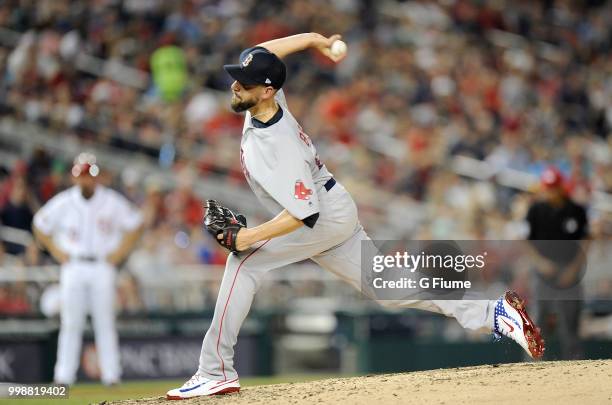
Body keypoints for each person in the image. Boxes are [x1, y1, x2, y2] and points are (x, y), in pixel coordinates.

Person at [166, 33, 545, 400]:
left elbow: (305, 213)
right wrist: (315, 39)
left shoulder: (277, 143)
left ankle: (214, 373)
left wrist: (248, 238)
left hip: (322, 216)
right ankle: (495, 313)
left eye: (244, 83)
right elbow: (266, 51)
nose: (235, 86)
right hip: (333, 209)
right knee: (391, 289)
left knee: (243, 262)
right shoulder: (267, 98)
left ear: (266, 90)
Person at [32, 152, 143, 385]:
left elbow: (135, 224)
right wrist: (54, 249)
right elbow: (40, 224)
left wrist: (120, 252)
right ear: (74, 178)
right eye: (81, 175)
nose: (85, 180)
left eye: (89, 175)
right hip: (73, 264)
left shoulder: (111, 200)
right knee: (71, 322)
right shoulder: (64, 201)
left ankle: (111, 376)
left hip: (102, 265)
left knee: (105, 321)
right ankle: (63, 377)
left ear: (97, 177)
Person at [526, 166, 589, 359]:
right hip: (544, 271)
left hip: (569, 270)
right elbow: (525, 240)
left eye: (554, 187)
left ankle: (575, 363)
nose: (551, 191)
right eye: (548, 187)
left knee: (570, 320)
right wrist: (540, 263)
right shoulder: (536, 210)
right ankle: (533, 364)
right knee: (538, 318)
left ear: (561, 186)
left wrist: (573, 269)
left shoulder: (576, 210)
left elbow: (585, 241)